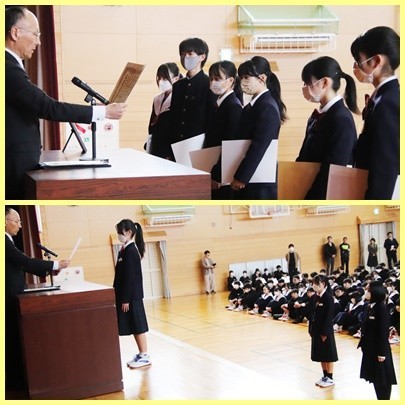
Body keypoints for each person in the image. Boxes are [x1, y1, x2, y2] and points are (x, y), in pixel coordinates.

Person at [5, 6, 127, 200]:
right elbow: (47, 107)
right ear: (15, 32)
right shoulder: (7, 67)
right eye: (35, 34)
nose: (38, 42)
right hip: (12, 170)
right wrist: (103, 112)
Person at [5, 207, 70, 391]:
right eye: (16, 221)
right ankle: (13, 385)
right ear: (4, 221)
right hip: (7, 298)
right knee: (11, 341)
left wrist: (50, 270)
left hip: (13, 295)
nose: (20, 225)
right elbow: (24, 261)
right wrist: (55, 264)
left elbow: (20, 264)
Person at [296, 56, 359, 199]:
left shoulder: (341, 118)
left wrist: (310, 198)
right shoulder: (318, 115)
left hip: (326, 193)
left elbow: (333, 170)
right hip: (306, 185)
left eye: (307, 83)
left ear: (324, 82)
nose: (304, 87)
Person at [351, 26, 400, 199]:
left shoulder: (388, 103)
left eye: (359, 60)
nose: (356, 66)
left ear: (376, 61)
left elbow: (385, 167)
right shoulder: (382, 96)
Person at [231, 56, 287, 199]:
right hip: (253, 179)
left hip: (260, 181)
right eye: (241, 77)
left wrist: (241, 177)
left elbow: (259, 146)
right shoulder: (255, 104)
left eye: (246, 77)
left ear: (262, 78)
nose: (243, 81)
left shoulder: (267, 106)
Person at [113, 219, 151, 369]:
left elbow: (129, 278)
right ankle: (141, 354)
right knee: (134, 325)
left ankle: (145, 355)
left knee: (138, 326)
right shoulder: (124, 249)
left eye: (120, 232)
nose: (118, 235)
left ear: (128, 232)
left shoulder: (131, 251)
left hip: (132, 297)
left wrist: (125, 299)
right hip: (128, 296)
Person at [169, 37, 216, 155]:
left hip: (199, 148)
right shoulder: (178, 86)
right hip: (176, 146)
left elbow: (211, 121)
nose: (185, 58)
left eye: (190, 54)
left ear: (202, 57)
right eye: (182, 54)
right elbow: (173, 118)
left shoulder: (209, 84)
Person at [204, 60, 243, 199]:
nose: (213, 82)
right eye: (211, 79)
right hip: (210, 166)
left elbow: (230, 145)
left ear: (230, 80)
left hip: (222, 176)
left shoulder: (233, 106)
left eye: (218, 78)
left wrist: (217, 175)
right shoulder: (218, 104)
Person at [358, 281, 397, 399]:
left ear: (375, 292)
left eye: (368, 290)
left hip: (379, 350)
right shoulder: (368, 306)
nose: (366, 292)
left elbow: (383, 332)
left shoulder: (382, 308)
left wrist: (382, 353)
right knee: (375, 377)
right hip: (370, 348)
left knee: (383, 379)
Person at [309, 274, 339, 388]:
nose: (314, 286)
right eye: (313, 284)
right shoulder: (315, 297)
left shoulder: (328, 298)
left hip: (325, 331)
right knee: (321, 355)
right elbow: (312, 313)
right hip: (316, 330)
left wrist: (324, 333)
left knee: (328, 355)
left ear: (323, 284)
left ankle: (330, 378)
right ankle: (325, 376)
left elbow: (328, 317)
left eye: (317, 284)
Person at [147, 62, 181, 159]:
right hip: (155, 147)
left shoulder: (178, 99)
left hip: (170, 151)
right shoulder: (157, 99)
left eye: (165, 78)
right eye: (159, 78)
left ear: (176, 79)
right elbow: (151, 126)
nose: (161, 81)